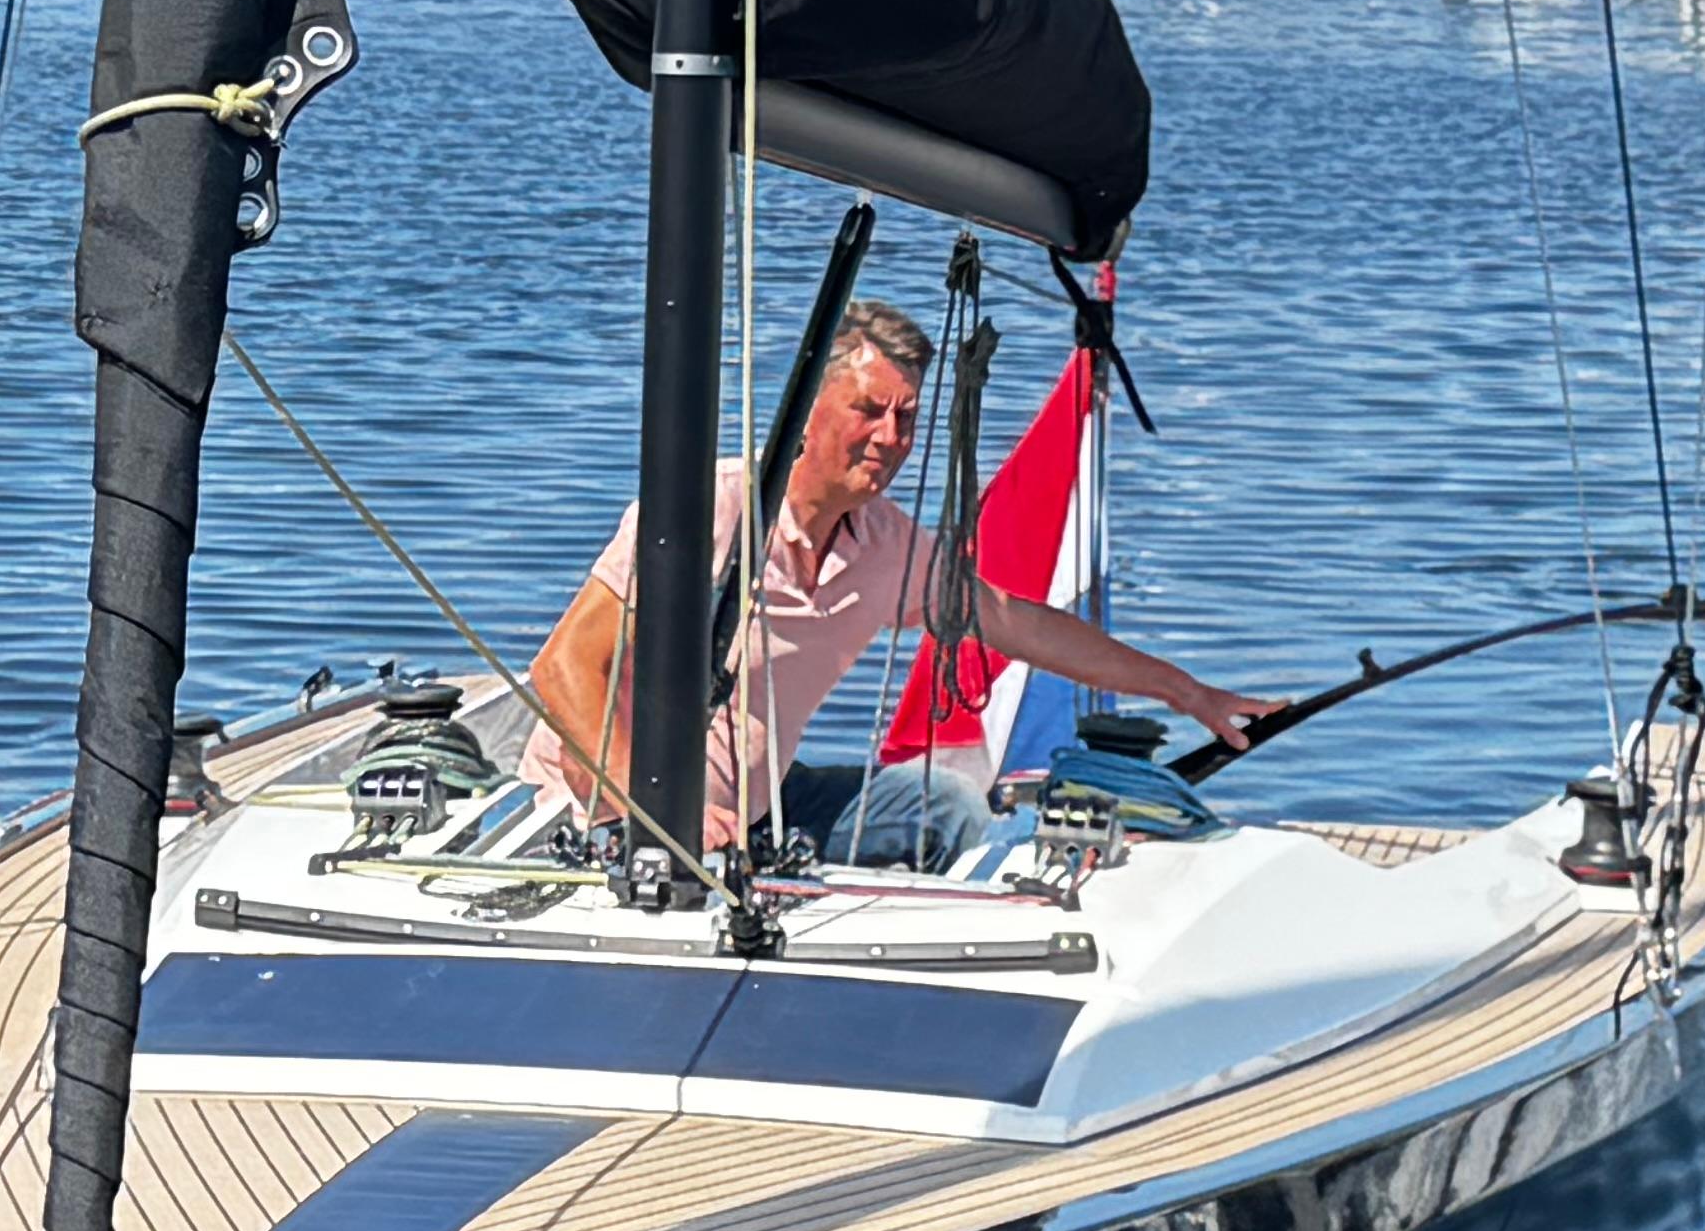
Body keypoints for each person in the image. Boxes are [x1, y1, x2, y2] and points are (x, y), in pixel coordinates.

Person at [522, 296, 1275, 867]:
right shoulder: (708, 511)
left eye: (907, 418)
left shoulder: (887, 544)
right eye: (868, 411)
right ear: (807, 410)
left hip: (756, 813)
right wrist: (653, 808)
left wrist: (1186, 692)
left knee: (951, 804)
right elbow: (562, 668)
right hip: (605, 816)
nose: (890, 438)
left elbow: (1019, 623)